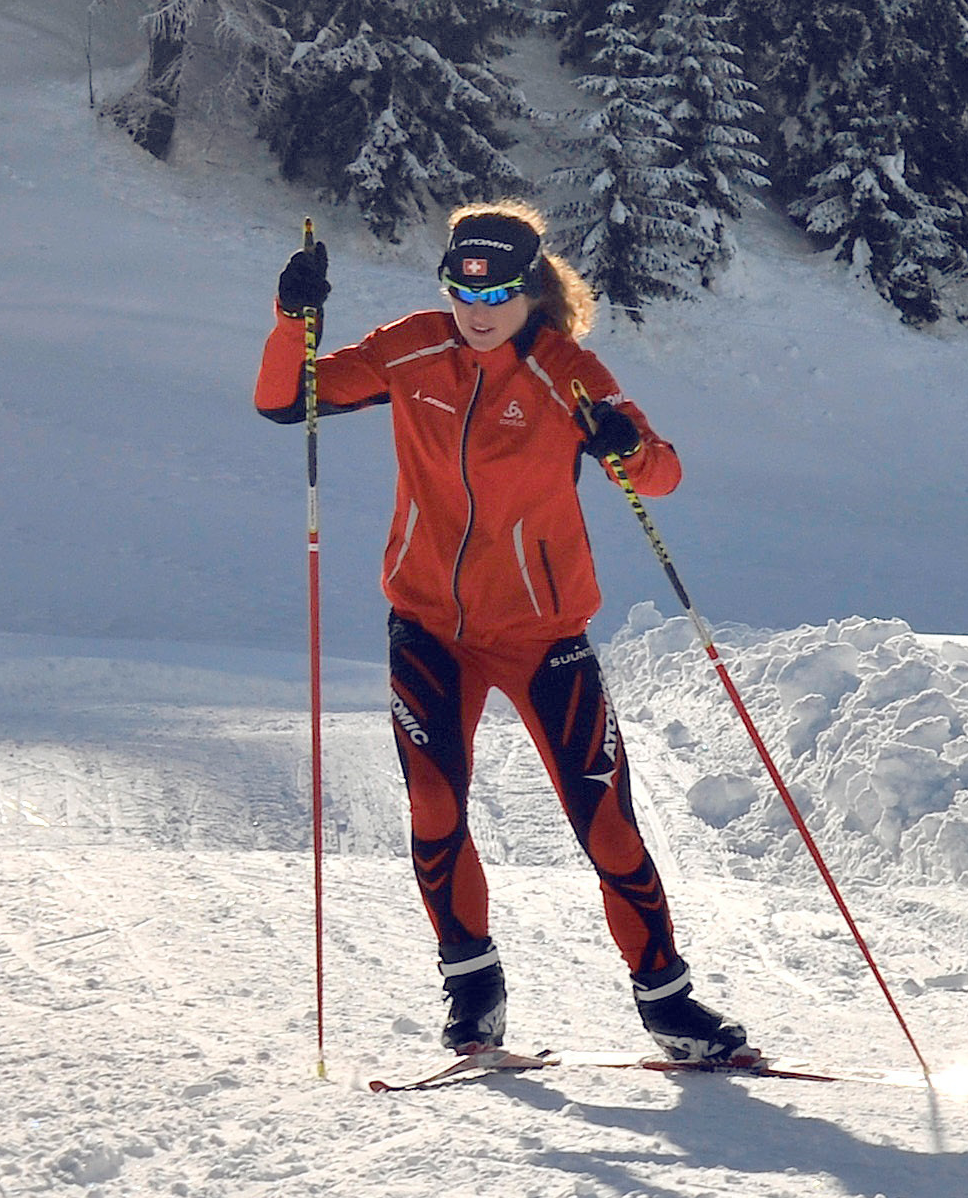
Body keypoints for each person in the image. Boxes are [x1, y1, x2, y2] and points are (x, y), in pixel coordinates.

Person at [260, 200, 761, 1074]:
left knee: (604, 822)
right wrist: (291, 321)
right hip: (427, 625)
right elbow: (283, 400)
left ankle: (667, 1001)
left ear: (531, 290)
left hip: (541, 632)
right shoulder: (409, 347)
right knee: (434, 808)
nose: (477, 312)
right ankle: (473, 987)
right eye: (460, 290)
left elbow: (665, 473)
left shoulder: (565, 368)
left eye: (496, 295)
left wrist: (625, 444)